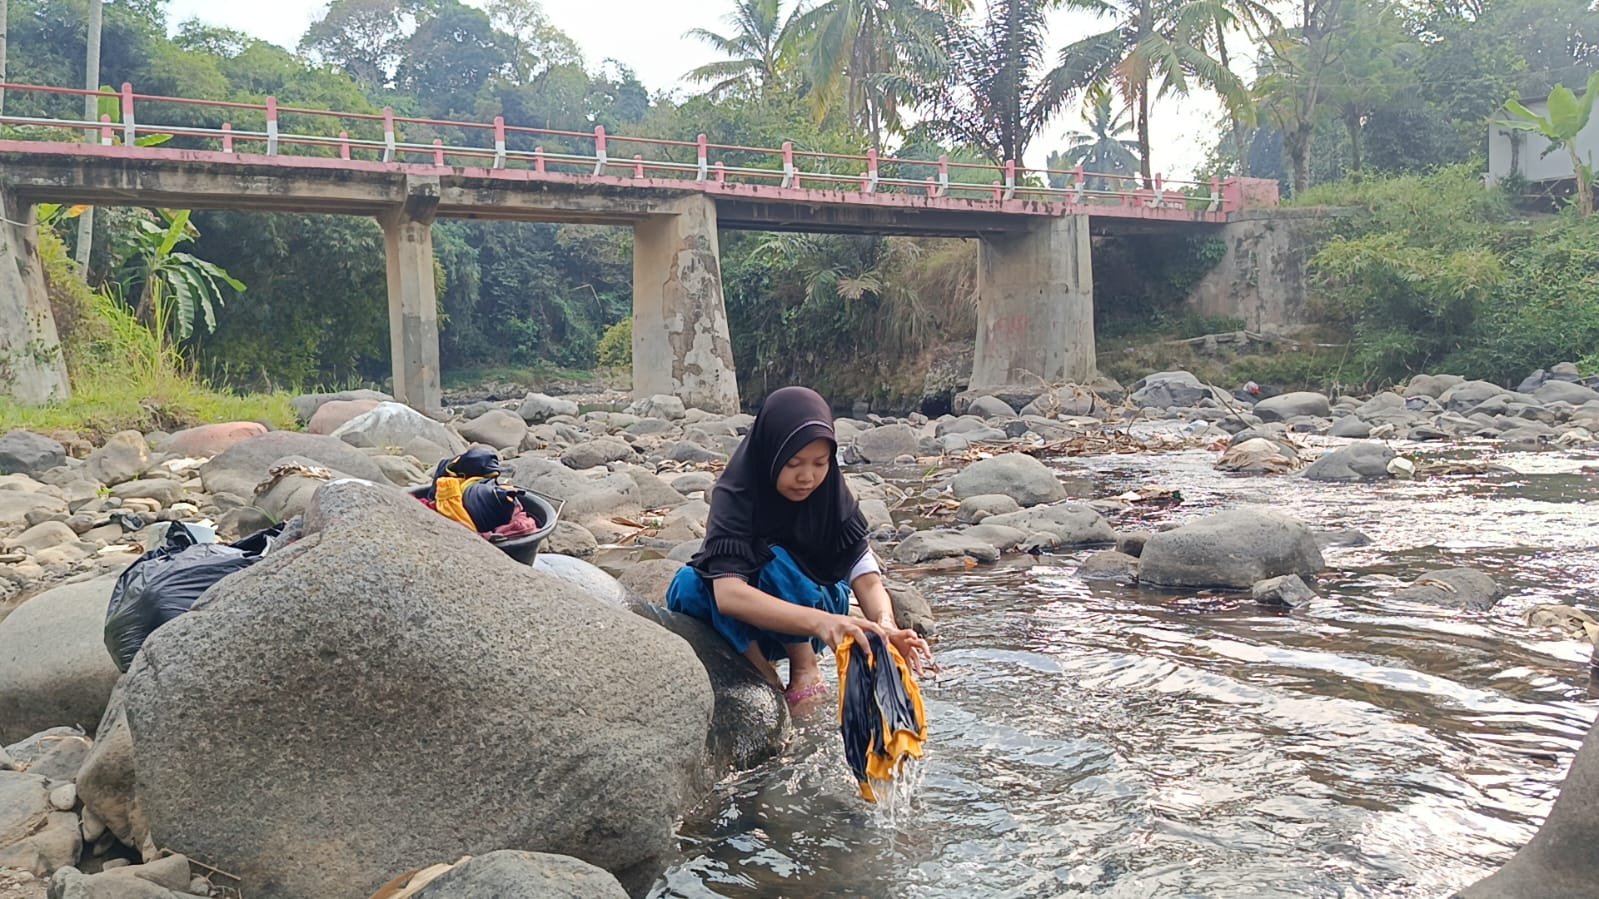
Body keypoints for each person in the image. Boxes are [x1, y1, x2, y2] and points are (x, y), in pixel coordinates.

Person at [666, 386, 934, 707]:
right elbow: (727, 595)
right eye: (794, 464)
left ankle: (804, 664)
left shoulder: (830, 490)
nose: (807, 477)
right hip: (778, 622)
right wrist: (824, 624)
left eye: (819, 463)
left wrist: (884, 625)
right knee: (687, 585)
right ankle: (762, 672)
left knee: (776, 560)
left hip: (820, 603)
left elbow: (862, 570)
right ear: (770, 453)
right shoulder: (735, 493)